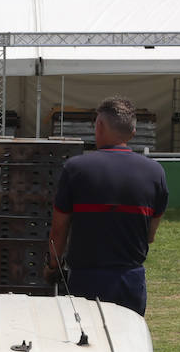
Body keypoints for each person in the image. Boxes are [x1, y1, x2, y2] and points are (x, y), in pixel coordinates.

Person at [48, 96, 168, 315]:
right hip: (131, 281)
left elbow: (59, 230)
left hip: (86, 279)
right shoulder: (155, 172)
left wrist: (52, 266)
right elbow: (150, 235)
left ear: (99, 126)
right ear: (132, 132)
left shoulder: (76, 168)